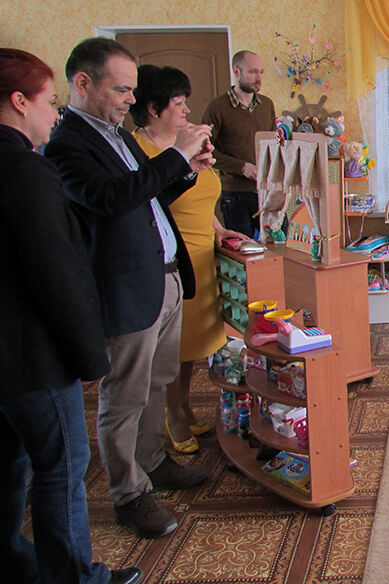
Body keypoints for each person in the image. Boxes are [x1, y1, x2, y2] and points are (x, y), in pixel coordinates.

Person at [45, 38, 214, 539]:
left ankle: (153, 461)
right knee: (125, 398)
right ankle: (128, 493)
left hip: (163, 277)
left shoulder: (116, 135)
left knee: (157, 383)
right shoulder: (67, 145)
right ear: (83, 83)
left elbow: (145, 195)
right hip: (125, 288)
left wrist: (186, 172)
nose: (130, 99)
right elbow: (111, 198)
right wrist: (175, 156)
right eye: (121, 89)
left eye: (132, 89)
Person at [0, 48, 141, 583]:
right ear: (20, 102)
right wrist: (88, 356)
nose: (54, 112)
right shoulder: (26, 170)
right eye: (48, 101)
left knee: (10, 464)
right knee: (60, 468)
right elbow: (56, 273)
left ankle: (15, 564)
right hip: (32, 354)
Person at [131, 65, 250, 453]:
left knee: (192, 347)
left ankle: (183, 407)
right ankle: (171, 417)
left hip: (202, 254)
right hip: (171, 258)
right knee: (170, 348)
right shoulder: (141, 151)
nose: (186, 110)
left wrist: (218, 230)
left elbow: (204, 194)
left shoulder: (190, 143)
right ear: (154, 109)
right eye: (178, 103)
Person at [202, 50, 276, 239]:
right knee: (243, 248)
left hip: (267, 192)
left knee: (278, 245)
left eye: (261, 72)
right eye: (252, 72)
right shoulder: (217, 108)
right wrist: (242, 167)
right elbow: (205, 151)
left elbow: (273, 144)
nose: (259, 78)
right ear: (236, 72)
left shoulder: (267, 105)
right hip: (235, 195)